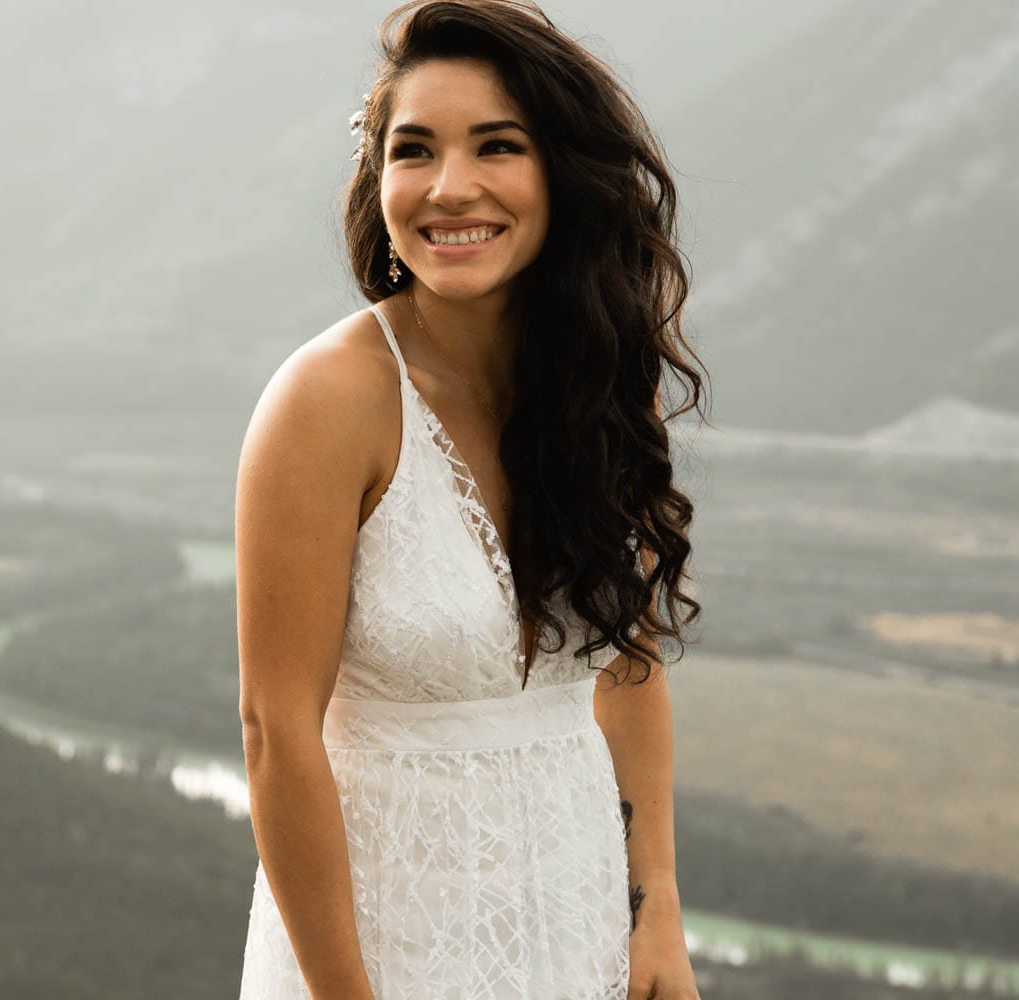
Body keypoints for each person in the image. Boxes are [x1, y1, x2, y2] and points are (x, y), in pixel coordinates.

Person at [234, 1, 707, 996]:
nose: (451, 188)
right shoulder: (327, 401)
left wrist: (654, 911)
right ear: (381, 178)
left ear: (561, 176)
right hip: (383, 949)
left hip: (575, 928)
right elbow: (276, 729)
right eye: (415, 151)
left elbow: (629, 667)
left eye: (496, 146)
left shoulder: (593, 386)